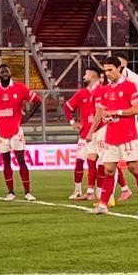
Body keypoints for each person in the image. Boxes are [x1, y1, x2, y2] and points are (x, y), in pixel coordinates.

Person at [90, 55, 138, 215]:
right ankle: (103, 205)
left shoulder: (130, 86)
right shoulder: (105, 90)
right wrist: (94, 128)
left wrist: (117, 112)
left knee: (133, 167)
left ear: (119, 69)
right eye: (105, 70)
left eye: (110, 70)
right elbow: (101, 112)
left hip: (128, 133)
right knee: (109, 169)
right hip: (111, 134)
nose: (108, 73)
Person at [0, 63, 41, 200]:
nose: (4, 73)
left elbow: (37, 101)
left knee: (21, 160)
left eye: (6, 71)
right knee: (6, 162)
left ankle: (27, 192)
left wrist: (27, 116)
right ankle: (11, 192)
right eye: (2, 72)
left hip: (16, 130)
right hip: (0, 131)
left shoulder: (20, 88)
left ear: (10, 73)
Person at [62, 63, 105, 199]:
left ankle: (100, 191)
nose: (84, 76)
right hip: (86, 133)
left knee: (103, 163)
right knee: (82, 161)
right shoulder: (81, 93)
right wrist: (73, 122)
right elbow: (67, 107)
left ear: (92, 75)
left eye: (86, 73)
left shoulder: (102, 90)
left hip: (101, 131)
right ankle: (79, 190)